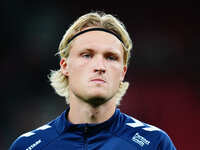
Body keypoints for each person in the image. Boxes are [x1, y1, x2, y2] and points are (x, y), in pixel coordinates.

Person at [9, 11, 176, 150]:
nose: (100, 66)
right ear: (65, 66)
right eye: (87, 55)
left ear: (123, 72)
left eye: (111, 57)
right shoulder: (27, 146)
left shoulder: (155, 143)